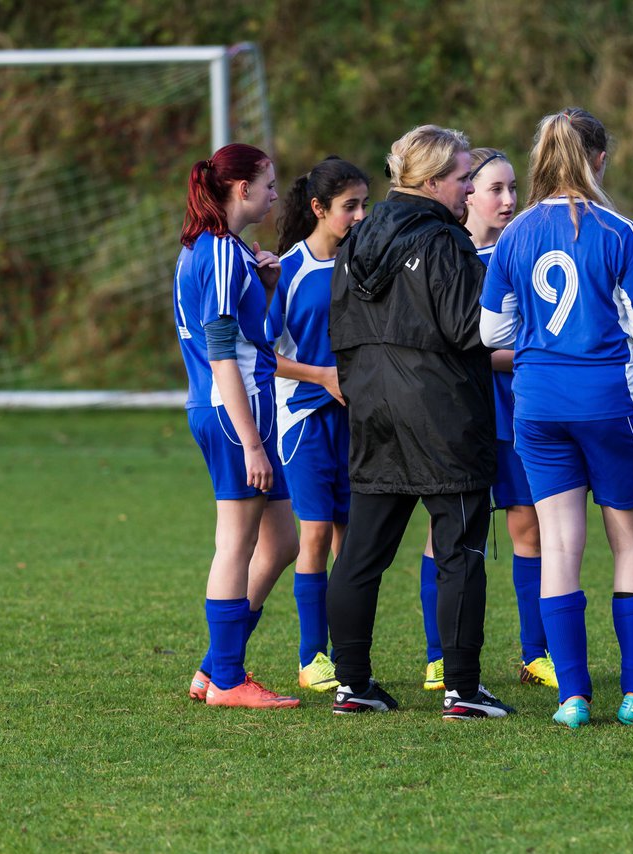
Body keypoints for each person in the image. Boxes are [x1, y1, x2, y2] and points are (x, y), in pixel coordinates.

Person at [480, 107, 633, 728]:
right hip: (611, 403)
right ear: (599, 159)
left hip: (538, 405)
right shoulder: (618, 231)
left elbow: (492, 332)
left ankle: (572, 698)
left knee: (559, 544)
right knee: (631, 540)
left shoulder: (514, 234)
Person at [327, 124, 512, 720]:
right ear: (433, 182)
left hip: (373, 411)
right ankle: (462, 689)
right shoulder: (444, 242)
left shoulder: (354, 240)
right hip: (443, 416)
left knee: (360, 555)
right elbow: (470, 329)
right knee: (459, 551)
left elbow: (342, 330)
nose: (468, 189)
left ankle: (352, 683)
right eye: (463, 179)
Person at [418, 147, 558, 693]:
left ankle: (535, 653)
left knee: (528, 524)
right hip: (461, 412)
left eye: (513, 189)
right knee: (445, 530)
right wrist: (501, 348)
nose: (508, 200)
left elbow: (526, 336)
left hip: (522, 409)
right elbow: (462, 344)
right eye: (495, 189)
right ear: (465, 193)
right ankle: (436, 656)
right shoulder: (446, 255)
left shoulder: (524, 252)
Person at [174, 142, 301, 709]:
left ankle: (213, 668)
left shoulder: (210, 249)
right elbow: (222, 350)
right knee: (237, 543)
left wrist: (264, 283)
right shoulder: (222, 251)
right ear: (242, 189)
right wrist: (251, 440)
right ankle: (226, 679)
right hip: (235, 414)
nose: (276, 195)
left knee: (281, 542)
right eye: (270, 185)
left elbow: (240, 334)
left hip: (233, 408)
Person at [266, 156, 370, 693]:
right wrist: (322, 376)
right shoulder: (288, 270)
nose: (358, 216)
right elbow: (262, 355)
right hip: (305, 419)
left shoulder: (363, 265)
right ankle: (312, 658)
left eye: (363, 206)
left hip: (357, 421)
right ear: (318, 208)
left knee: (352, 542)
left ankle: (352, 656)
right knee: (314, 534)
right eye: (348, 206)